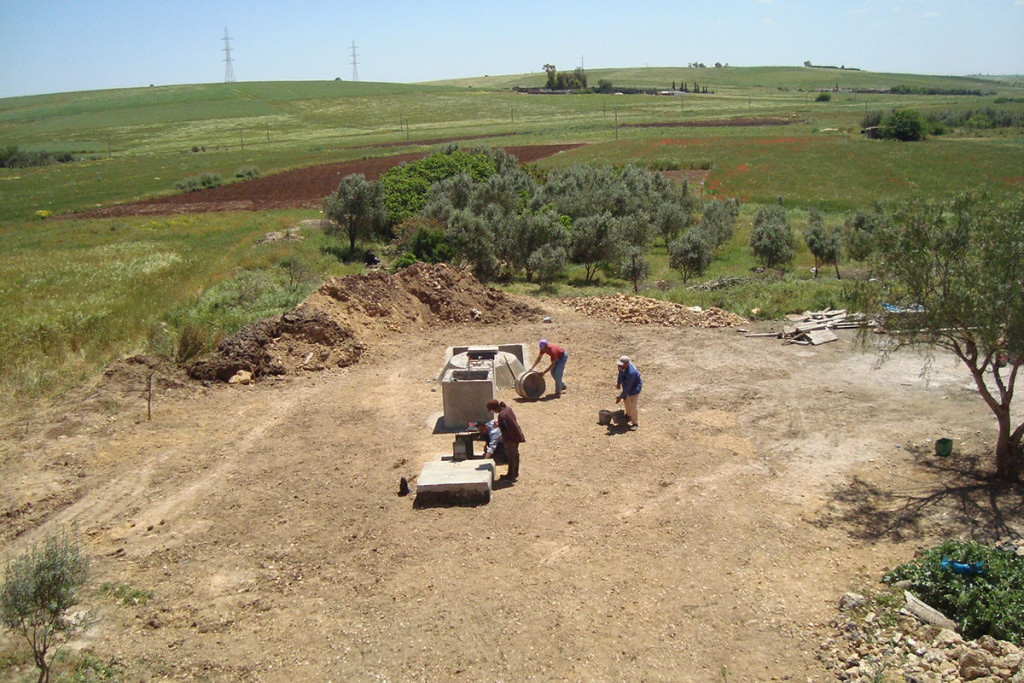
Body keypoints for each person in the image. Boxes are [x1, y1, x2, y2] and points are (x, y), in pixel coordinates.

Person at [486, 399, 525, 480]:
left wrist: (497, 426)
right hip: (516, 434)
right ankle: (515, 472)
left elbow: (504, 427)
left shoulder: (501, 415)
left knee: (511, 456)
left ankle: (511, 475)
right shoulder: (507, 409)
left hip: (510, 437)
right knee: (515, 454)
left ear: (494, 409)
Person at [615, 355, 642, 430]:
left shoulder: (631, 373)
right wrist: (618, 383)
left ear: (627, 363)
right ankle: (628, 415)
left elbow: (627, 387)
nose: (620, 366)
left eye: (622, 364)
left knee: (633, 405)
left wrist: (620, 397)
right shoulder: (621, 366)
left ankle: (635, 423)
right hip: (627, 385)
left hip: (634, 388)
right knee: (626, 401)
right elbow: (620, 374)